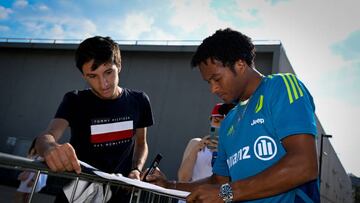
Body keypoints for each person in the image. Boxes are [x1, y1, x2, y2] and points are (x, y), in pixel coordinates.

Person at [147, 28, 319, 203]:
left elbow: (304, 165)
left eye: (217, 79)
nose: (213, 89)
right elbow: (218, 182)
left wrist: (226, 194)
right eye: (209, 82)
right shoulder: (229, 121)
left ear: (240, 64)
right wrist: (169, 186)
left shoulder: (281, 87)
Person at [35, 36, 154, 202]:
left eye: (108, 72)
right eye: (93, 76)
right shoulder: (74, 100)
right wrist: (49, 148)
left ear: (119, 66)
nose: (103, 83)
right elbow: (48, 135)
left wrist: (136, 169)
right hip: (78, 193)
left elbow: (141, 143)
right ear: (84, 76)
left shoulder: (139, 100)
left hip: (119, 193)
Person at [177, 103, 234, 183]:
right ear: (210, 122)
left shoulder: (234, 149)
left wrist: (222, 153)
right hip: (192, 193)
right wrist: (195, 150)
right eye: (216, 121)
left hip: (215, 195)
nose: (220, 126)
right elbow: (182, 179)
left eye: (225, 123)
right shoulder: (195, 143)